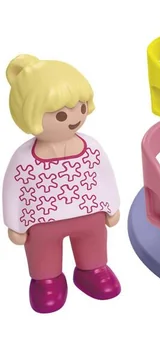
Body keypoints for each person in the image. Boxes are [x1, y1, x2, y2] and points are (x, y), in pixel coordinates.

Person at [3, 55, 121, 313]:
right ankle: (47, 280)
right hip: (42, 221)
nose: (75, 118)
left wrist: (112, 207)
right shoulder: (24, 158)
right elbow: (13, 191)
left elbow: (104, 176)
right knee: (43, 254)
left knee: (93, 246)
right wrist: (15, 225)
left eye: (81, 107)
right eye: (60, 114)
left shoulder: (91, 147)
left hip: (90, 214)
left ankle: (92, 270)